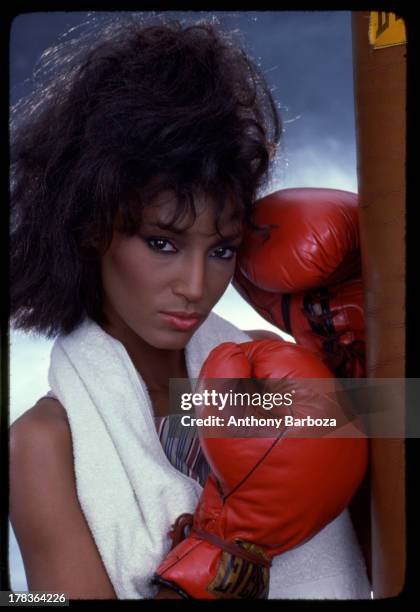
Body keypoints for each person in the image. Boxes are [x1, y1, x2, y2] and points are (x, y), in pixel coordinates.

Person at [9, 15, 371, 599]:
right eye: (162, 243)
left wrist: (365, 361)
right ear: (91, 227)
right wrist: (231, 552)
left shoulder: (276, 375)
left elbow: (390, 550)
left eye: (223, 248)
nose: (196, 285)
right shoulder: (42, 444)